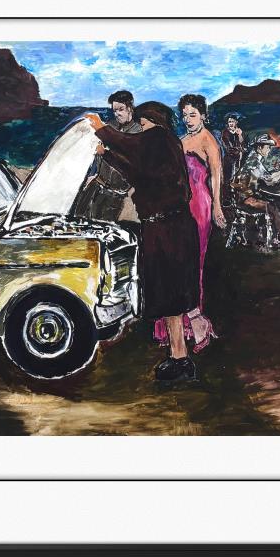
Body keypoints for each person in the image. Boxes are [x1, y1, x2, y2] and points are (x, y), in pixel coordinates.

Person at [86, 104, 201, 381]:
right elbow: (137, 171)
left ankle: (180, 359)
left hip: (167, 229)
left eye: (144, 124)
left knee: (170, 295)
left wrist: (101, 128)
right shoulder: (165, 146)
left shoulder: (159, 137)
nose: (141, 130)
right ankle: (179, 356)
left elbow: (131, 144)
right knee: (171, 296)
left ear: (153, 121)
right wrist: (107, 155)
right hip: (170, 226)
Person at [154, 94, 225, 353]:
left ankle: (192, 323)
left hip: (200, 206)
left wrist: (217, 206)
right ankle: (179, 324)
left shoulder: (208, 140)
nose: (187, 119)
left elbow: (216, 175)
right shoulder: (181, 140)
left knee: (194, 263)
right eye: (184, 115)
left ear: (203, 115)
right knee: (176, 262)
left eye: (192, 114)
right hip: (179, 206)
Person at [74, 90, 142, 221]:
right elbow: (97, 154)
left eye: (121, 109)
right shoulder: (110, 126)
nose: (117, 114)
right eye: (115, 110)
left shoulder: (138, 132)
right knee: (78, 220)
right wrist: (93, 174)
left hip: (115, 193)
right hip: (96, 184)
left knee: (103, 226)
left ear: (130, 108)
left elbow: (130, 160)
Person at [233, 132, 280, 243]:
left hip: (248, 195)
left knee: (273, 203)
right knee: (272, 206)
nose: (269, 150)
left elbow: (266, 177)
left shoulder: (255, 159)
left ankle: (279, 235)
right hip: (245, 199)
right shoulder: (254, 162)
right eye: (267, 147)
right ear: (259, 148)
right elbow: (269, 181)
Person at [220, 112, 244, 206]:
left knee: (237, 178)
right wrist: (238, 150)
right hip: (229, 159)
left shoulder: (239, 131)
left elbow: (242, 143)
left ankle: (236, 198)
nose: (230, 123)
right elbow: (228, 147)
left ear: (236, 122)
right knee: (227, 179)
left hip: (238, 158)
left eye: (232, 121)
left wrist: (240, 135)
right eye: (229, 122)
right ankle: (227, 199)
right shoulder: (225, 132)